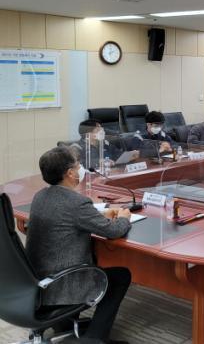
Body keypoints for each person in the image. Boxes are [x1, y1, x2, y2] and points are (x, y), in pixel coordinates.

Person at [26, 146, 132, 344]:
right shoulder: (77, 202)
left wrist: (98, 215)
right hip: (62, 284)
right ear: (69, 173)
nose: (80, 168)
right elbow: (113, 231)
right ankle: (94, 338)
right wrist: (124, 218)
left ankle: (63, 323)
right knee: (121, 275)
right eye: (77, 165)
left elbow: (63, 218)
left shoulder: (40, 196)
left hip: (36, 282)